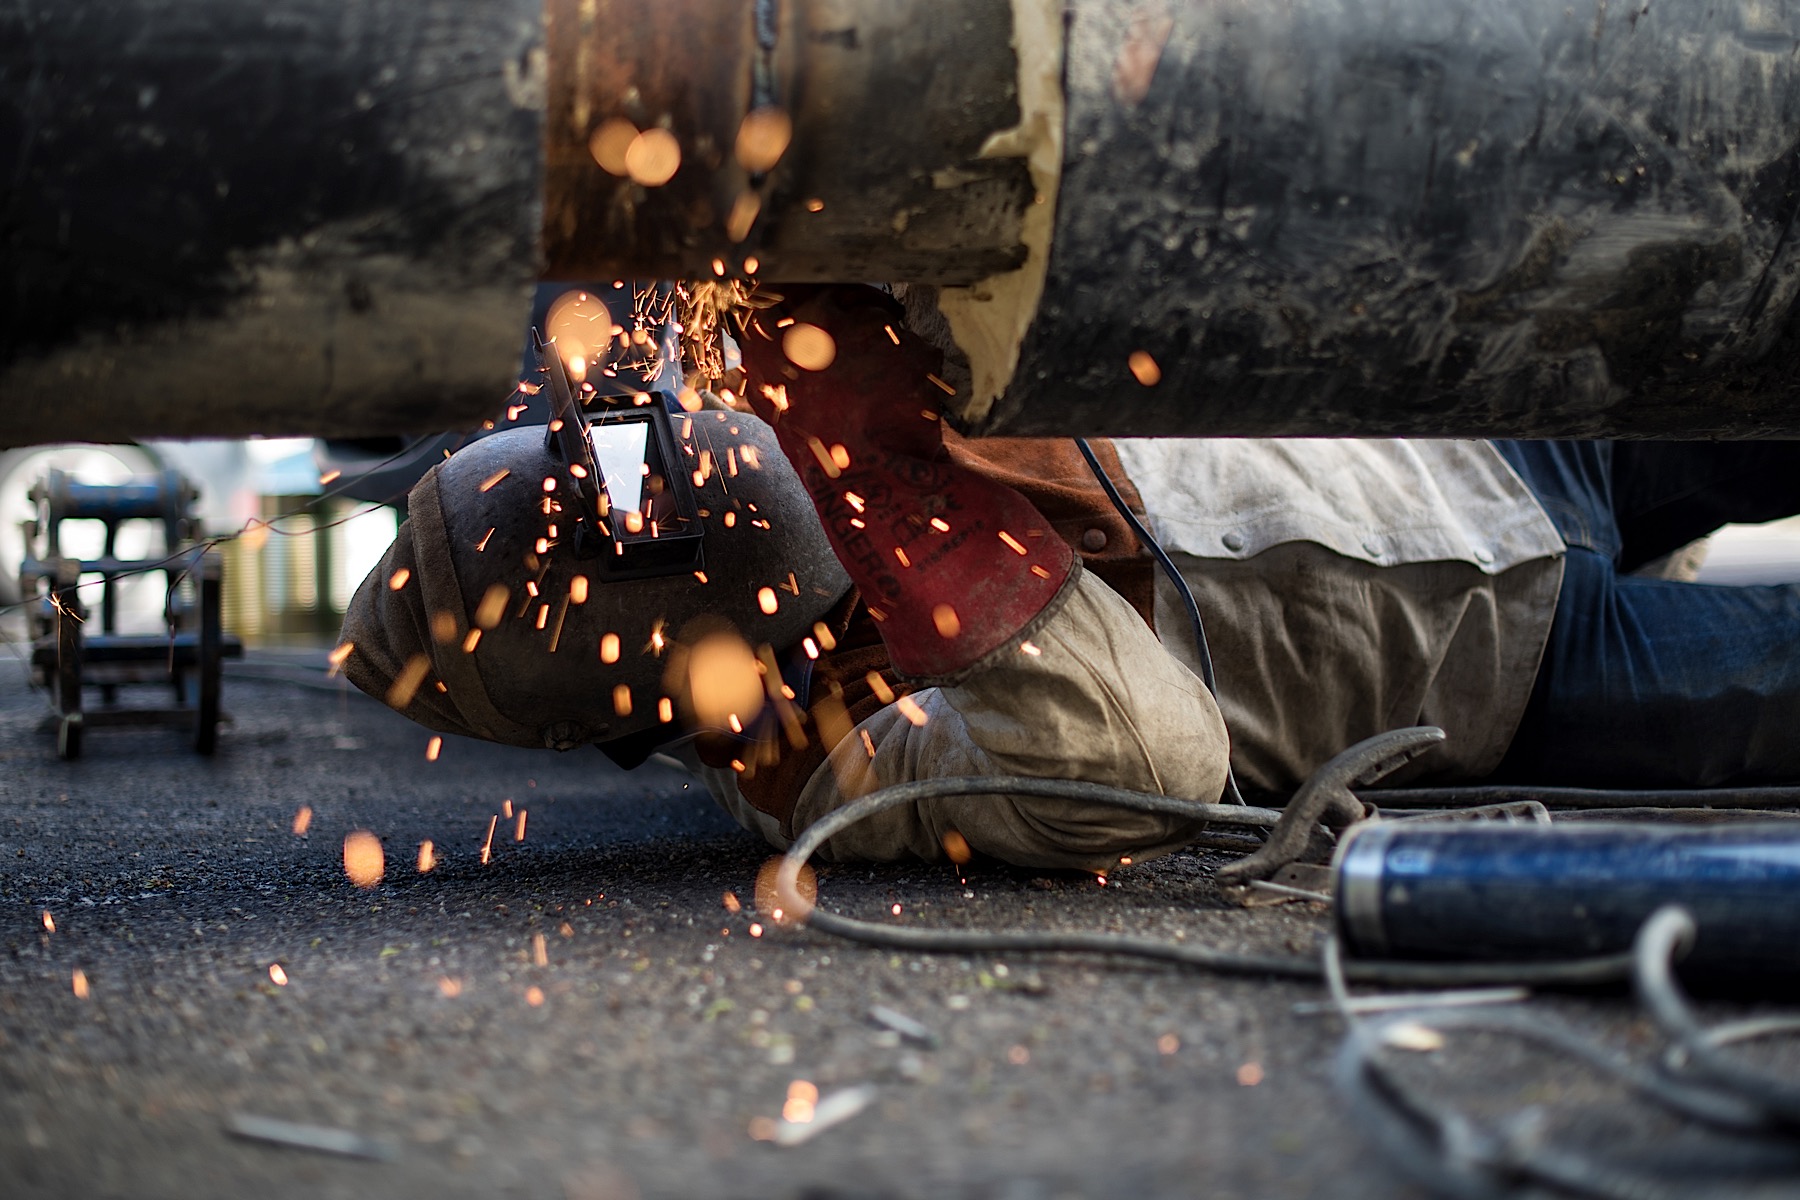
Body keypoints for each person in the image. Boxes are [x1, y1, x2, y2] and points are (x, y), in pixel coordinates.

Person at [339, 284, 1800, 873]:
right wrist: (896, 510)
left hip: (1497, 450)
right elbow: (1151, 751)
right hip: (1522, 668)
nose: (661, 468)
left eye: (616, 459)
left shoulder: (760, 354)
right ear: (634, 671)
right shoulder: (835, 779)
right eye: (620, 514)